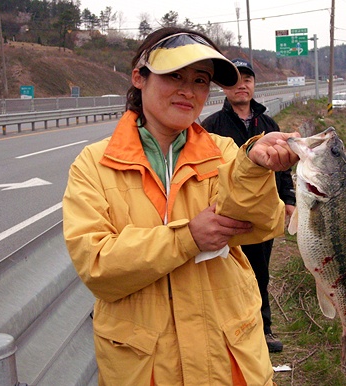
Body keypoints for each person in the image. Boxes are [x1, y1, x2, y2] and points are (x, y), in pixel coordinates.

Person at [62, 27, 300, 386]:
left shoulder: (223, 152)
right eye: (174, 75)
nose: (189, 91)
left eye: (200, 80)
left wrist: (253, 167)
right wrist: (187, 237)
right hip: (148, 367)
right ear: (139, 77)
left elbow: (264, 225)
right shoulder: (94, 165)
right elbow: (97, 266)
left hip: (228, 358)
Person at [202, 58, 296, 353]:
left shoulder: (268, 124)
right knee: (231, 275)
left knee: (261, 272)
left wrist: (289, 201)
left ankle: (263, 330)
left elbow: (283, 170)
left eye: (248, 79)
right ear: (224, 88)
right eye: (236, 80)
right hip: (228, 213)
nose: (242, 85)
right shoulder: (212, 126)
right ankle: (231, 331)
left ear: (254, 85)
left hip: (265, 211)